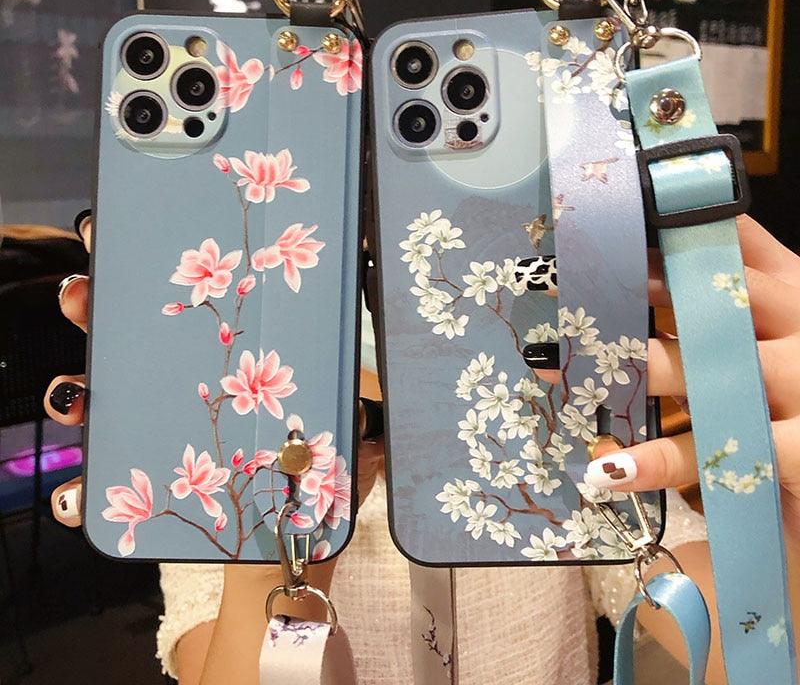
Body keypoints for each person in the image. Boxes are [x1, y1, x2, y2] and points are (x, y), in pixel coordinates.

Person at [46, 213, 800, 685]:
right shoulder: (228, 465)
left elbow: (754, 646)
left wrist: (785, 516)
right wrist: (286, 541)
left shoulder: (534, 420)